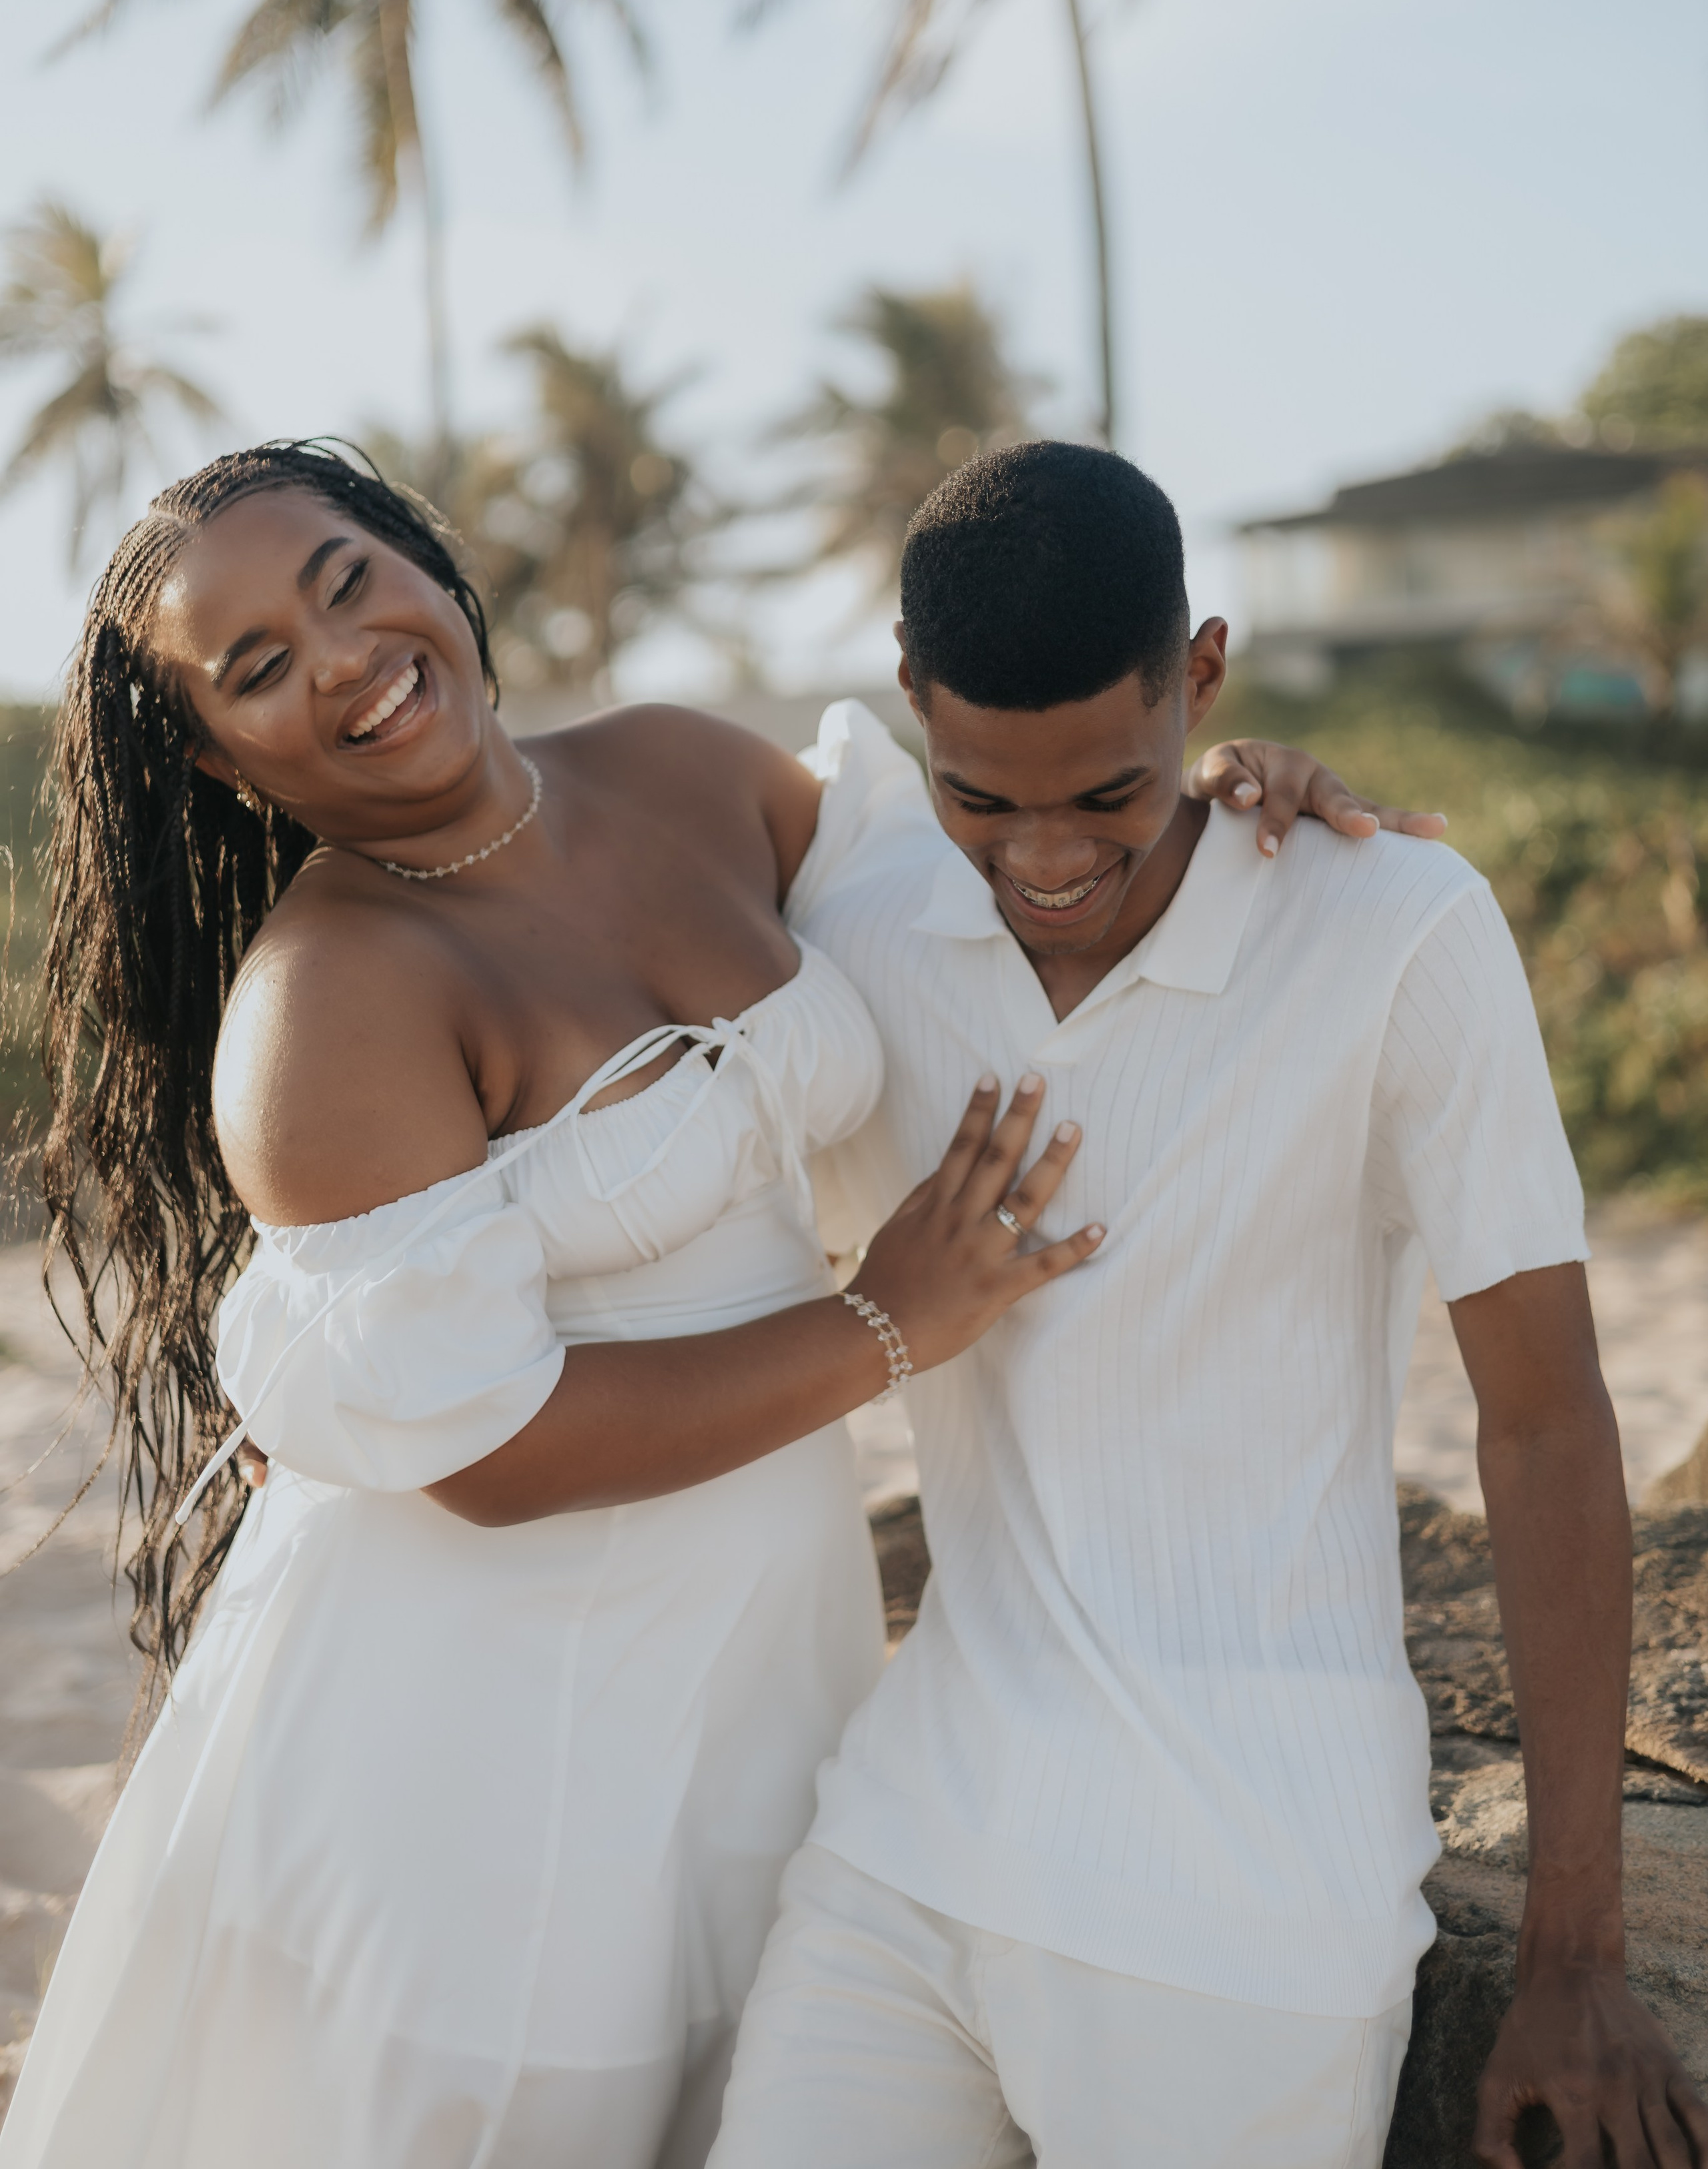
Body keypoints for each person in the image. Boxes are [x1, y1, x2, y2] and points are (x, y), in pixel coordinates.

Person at [1, 440, 1382, 2169]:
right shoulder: (328, 1003)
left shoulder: (675, 765)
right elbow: (486, 1451)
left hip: (758, 1641)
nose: (344, 657)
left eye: (350, 582)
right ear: (215, 751)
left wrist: (1194, 792)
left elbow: (983, 865)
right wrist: (888, 1325)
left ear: (429, 564)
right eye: (262, 665)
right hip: (480, 1713)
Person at [709, 441, 1708, 2169]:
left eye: (1106, 792)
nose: (1039, 857)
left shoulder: (1395, 924)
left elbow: (1546, 1421)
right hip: (908, 1847)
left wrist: (1576, 1960)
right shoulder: (853, 928)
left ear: (1205, 677)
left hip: (1244, 1897)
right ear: (907, 702)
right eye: (978, 796)